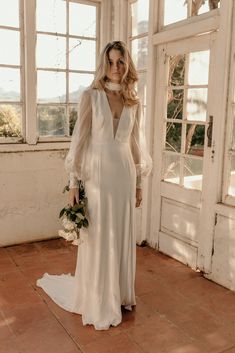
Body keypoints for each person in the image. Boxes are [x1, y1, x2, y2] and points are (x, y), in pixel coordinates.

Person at [36, 40, 152, 330]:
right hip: (97, 176)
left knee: (122, 233)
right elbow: (80, 140)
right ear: (104, 64)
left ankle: (121, 293)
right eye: (111, 62)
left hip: (124, 175)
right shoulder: (91, 96)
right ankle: (98, 297)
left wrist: (139, 183)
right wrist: (73, 183)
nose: (115, 68)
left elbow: (136, 144)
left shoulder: (133, 101)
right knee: (99, 234)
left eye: (121, 62)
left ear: (127, 65)